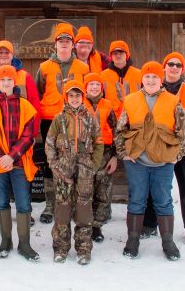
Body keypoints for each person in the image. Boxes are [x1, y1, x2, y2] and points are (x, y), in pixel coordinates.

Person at [115, 61, 185, 261]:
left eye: (155, 77)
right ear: (142, 78)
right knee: (137, 200)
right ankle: (132, 240)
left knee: (163, 201)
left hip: (163, 163)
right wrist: (124, 153)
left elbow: (183, 133)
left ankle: (168, 242)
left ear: (161, 79)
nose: (150, 80)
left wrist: (176, 156)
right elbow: (120, 130)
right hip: (137, 162)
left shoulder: (173, 101)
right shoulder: (130, 100)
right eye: (147, 76)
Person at [141, 52, 185, 246]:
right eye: (170, 64)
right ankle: (150, 224)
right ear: (164, 67)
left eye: (178, 65)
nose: (174, 67)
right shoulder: (153, 88)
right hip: (160, 148)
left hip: (183, 149)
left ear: (182, 69)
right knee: (156, 187)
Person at [0, 65, 40, 261]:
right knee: (2, 201)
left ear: (15, 82)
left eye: (9, 80)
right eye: (2, 80)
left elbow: (28, 135)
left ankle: (25, 244)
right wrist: (1, 157)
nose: (6, 83)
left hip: (19, 162)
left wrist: (12, 156)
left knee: (23, 203)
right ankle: (5, 241)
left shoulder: (25, 106)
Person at [0, 39, 41, 227]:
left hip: (20, 143)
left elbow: (34, 104)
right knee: (0, 188)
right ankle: (1, 216)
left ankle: (25, 214)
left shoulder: (25, 76)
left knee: (21, 184)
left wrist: (32, 135)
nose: (3, 55)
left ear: (12, 54)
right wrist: (1, 156)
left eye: (7, 52)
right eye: (0, 52)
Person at [35, 23, 89, 224]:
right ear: (55, 44)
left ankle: (70, 204)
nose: (64, 45)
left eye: (68, 41)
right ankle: (51, 205)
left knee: (73, 161)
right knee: (52, 162)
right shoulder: (44, 67)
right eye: (61, 41)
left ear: (73, 45)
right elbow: (39, 92)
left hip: (74, 120)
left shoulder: (83, 68)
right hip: (50, 121)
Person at [45, 80, 103, 265]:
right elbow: (49, 143)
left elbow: (99, 142)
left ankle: (84, 249)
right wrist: (54, 165)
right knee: (62, 209)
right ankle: (61, 248)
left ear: (82, 97)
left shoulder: (91, 118)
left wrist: (93, 165)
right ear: (66, 97)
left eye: (78, 95)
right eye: (71, 95)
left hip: (85, 170)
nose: (75, 98)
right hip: (63, 169)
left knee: (84, 210)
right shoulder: (59, 118)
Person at [83, 73, 118, 243]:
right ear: (86, 87)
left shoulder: (108, 106)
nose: (95, 87)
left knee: (103, 191)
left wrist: (115, 156)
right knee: (85, 190)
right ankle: (85, 224)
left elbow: (116, 131)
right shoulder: (78, 104)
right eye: (91, 84)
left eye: (98, 84)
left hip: (105, 154)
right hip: (85, 154)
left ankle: (97, 226)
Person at [99, 40, 141, 118]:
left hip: (134, 118)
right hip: (111, 120)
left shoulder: (139, 74)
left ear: (127, 55)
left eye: (121, 53)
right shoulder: (103, 76)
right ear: (111, 56)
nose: (118, 56)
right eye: (115, 53)